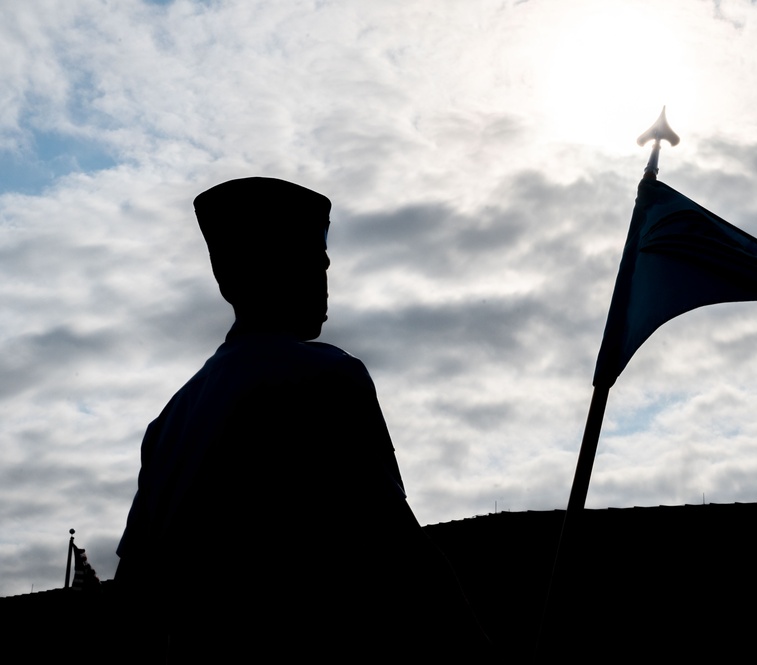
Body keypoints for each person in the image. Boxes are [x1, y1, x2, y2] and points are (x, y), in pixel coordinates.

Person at [114, 178, 489, 662]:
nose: (327, 268)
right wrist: (483, 657)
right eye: (316, 255)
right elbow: (400, 553)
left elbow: (134, 596)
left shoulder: (170, 420)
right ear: (278, 265)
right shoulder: (326, 375)